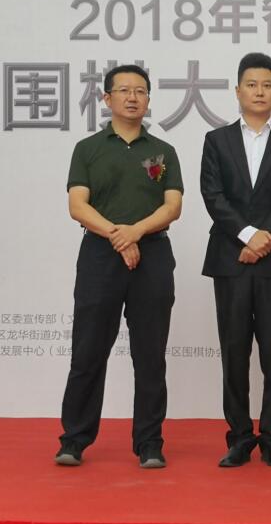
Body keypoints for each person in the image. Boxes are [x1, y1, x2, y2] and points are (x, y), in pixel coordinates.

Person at [56, 64, 183, 468]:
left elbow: (172, 206)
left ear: (148, 100)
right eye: (124, 90)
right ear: (106, 98)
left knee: (150, 356)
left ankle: (150, 443)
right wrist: (117, 236)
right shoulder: (88, 148)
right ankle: (74, 439)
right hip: (99, 256)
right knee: (88, 351)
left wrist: (135, 233)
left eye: (140, 91)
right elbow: (78, 205)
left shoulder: (163, 151)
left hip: (153, 256)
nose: (132, 97)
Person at [200, 52, 271, 468]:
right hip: (230, 259)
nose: (259, 92)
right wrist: (247, 235)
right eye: (251, 84)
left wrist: (266, 238)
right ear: (238, 91)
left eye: (266, 85)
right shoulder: (217, 141)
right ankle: (240, 437)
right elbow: (213, 195)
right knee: (234, 352)